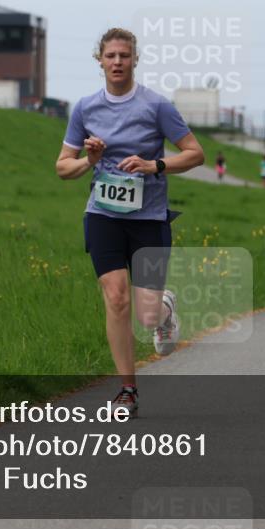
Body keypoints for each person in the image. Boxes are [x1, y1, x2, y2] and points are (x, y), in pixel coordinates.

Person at [55, 28, 204, 416]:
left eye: (124, 56)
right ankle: (127, 390)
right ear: (99, 61)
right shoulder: (85, 108)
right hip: (102, 214)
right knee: (116, 297)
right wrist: (90, 160)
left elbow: (195, 154)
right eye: (111, 56)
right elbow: (62, 167)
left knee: (147, 313)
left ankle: (165, 311)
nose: (117, 62)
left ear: (135, 59)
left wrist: (155, 164)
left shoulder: (156, 106)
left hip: (149, 218)